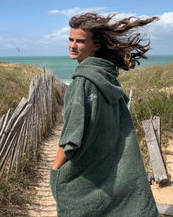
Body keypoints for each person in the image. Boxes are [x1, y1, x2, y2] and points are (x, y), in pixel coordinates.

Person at [50, 13, 160, 217]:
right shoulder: (109, 78)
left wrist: (55, 171)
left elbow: (71, 138)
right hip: (112, 172)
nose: (73, 45)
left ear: (96, 46)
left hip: (83, 176)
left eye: (80, 41)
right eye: (71, 39)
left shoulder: (80, 83)